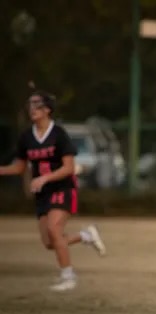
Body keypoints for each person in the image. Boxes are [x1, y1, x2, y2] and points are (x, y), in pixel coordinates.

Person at [0, 90, 106, 291]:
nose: (32, 109)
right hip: (43, 195)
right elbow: (19, 167)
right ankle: (86, 236)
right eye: (30, 105)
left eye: (37, 105)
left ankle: (68, 277)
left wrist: (44, 178)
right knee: (50, 242)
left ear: (47, 110)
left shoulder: (58, 135)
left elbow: (68, 167)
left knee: (54, 230)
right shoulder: (26, 137)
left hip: (63, 187)